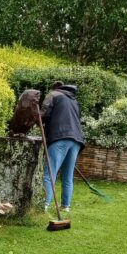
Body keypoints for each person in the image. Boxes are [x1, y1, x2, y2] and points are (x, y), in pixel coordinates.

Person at [40, 82, 85, 213]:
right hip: (76, 140)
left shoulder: (53, 94)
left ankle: (45, 205)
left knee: (49, 173)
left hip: (60, 137)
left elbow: (43, 114)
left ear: (54, 88)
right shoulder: (74, 100)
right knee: (68, 175)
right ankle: (66, 206)